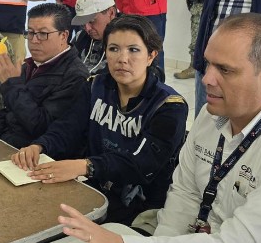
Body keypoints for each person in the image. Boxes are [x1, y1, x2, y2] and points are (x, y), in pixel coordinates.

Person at [56, 13, 261, 243]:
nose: (206, 79)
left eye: (225, 70)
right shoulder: (210, 115)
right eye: (208, 64)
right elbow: (184, 193)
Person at [11, 15, 187, 225]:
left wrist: (85, 166)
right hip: (94, 189)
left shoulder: (169, 105)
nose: (122, 58)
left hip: (140, 205)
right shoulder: (95, 86)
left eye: (133, 50)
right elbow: (68, 127)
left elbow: (142, 164)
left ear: (151, 56)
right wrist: (39, 145)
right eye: (113, 49)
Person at [0, 3, 87, 148]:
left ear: (64, 36)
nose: (34, 40)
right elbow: (8, 113)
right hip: (5, 143)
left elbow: (40, 126)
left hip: (33, 154)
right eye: (31, 33)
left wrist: (11, 86)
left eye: (42, 34)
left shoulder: (75, 77)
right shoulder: (29, 65)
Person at [72, 0, 119, 75]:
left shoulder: (130, 40)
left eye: (92, 21)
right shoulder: (80, 36)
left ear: (111, 13)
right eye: (83, 24)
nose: (87, 28)